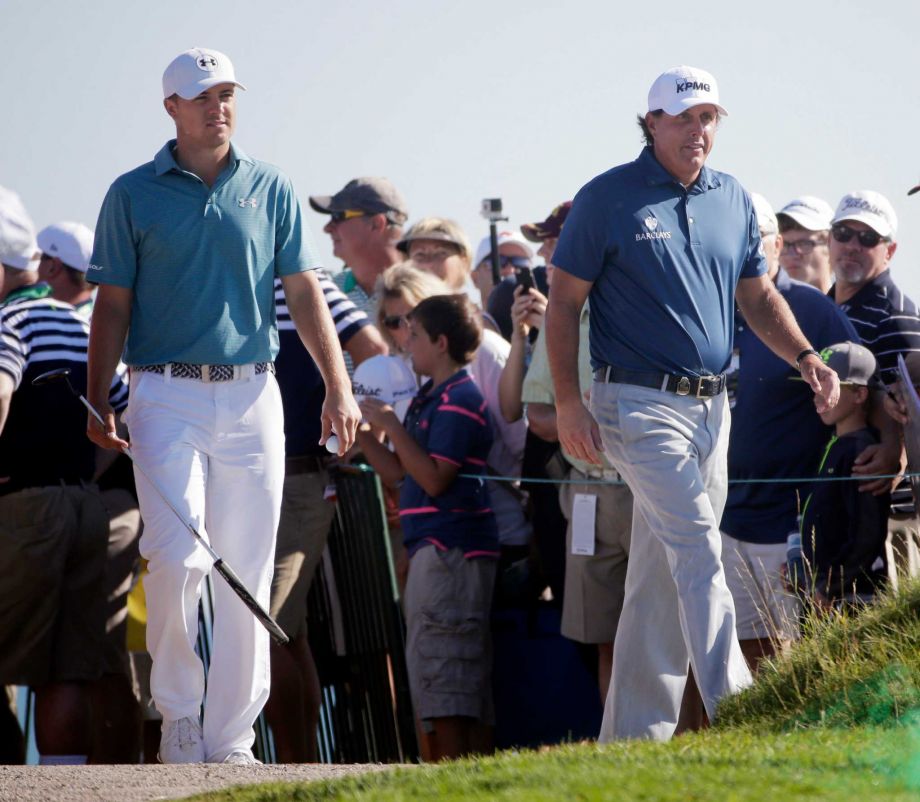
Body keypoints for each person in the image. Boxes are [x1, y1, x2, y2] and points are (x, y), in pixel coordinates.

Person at [545, 64, 839, 742]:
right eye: (683, 117)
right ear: (651, 124)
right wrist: (567, 403)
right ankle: (742, 714)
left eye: (708, 117)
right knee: (700, 549)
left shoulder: (733, 198)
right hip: (635, 404)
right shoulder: (606, 198)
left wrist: (806, 359)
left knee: (659, 575)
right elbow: (563, 303)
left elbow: (760, 298)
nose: (698, 130)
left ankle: (631, 742)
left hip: (713, 410)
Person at [85, 47, 359, 765]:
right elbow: (111, 306)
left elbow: (304, 294)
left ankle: (232, 736)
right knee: (176, 558)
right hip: (162, 392)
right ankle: (179, 715)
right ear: (171, 106)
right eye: (203, 96)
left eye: (228, 93)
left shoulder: (271, 187)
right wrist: (97, 397)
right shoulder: (131, 192)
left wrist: (340, 386)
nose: (220, 107)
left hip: (251, 394)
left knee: (248, 564)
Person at [1, 186, 130, 765]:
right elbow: (122, 413)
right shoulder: (77, 323)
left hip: (26, 508)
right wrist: (82, 473)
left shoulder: (11, 320)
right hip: (86, 507)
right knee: (67, 669)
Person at [720, 194, 858, 671]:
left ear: (777, 245)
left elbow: (862, 389)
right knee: (722, 657)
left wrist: (884, 451)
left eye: (755, 239)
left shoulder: (811, 309)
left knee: (780, 660)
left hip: (786, 522)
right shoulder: (709, 305)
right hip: (716, 517)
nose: (745, 250)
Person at [358, 294, 498, 761]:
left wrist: (392, 429)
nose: (405, 343)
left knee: (450, 676)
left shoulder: (459, 398)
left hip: (452, 552)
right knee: (436, 673)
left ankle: (457, 775)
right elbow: (402, 475)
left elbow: (436, 478)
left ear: (440, 342)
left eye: (413, 335)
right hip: (432, 551)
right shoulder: (430, 397)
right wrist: (363, 431)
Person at [265, 269, 386, 763]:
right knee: (286, 629)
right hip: (268, 480)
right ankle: (301, 768)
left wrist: (349, 424)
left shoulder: (301, 278)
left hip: (297, 478)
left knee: (264, 626)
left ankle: (295, 770)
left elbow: (377, 356)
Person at [36, 219, 144, 762]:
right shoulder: (97, 319)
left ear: (53, 266)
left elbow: (117, 426)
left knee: (94, 641)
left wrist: (80, 483)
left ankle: (120, 773)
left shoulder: (80, 324)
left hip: (104, 503)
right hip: (100, 500)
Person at [517, 202, 632, 704]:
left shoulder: (646, 305)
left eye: (558, 242)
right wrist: (578, 424)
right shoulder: (564, 314)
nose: (551, 253)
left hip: (652, 487)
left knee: (666, 630)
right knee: (604, 636)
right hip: (586, 492)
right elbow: (535, 413)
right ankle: (620, 750)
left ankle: (686, 745)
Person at [376, 264, 531, 569]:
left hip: (496, 533)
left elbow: (524, 446)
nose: (406, 331)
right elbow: (407, 467)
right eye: (395, 322)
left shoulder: (483, 350)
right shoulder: (402, 370)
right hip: (433, 538)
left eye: (414, 319)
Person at [827, 191, 920, 588]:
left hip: (886, 508)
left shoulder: (896, 314)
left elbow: (910, 402)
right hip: (842, 492)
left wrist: (895, 454)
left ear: (890, 250)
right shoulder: (824, 304)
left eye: (868, 239)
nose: (852, 245)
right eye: (844, 232)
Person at [798, 342, 889, 607]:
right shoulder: (835, 443)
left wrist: (830, 588)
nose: (816, 393)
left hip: (851, 599)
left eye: (828, 384)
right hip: (823, 593)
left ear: (860, 394)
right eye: (814, 384)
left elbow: (867, 533)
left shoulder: (863, 453)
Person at [310, 177, 408, 314]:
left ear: (376, 223)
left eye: (338, 216)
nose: (327, 228)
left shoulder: (424, 290)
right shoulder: (325, 295)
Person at [396, 217, 475, 297]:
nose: (429, 264)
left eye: (441, 253)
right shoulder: (390, 308)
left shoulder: (473, 309)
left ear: (464, 262)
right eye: (420, 254)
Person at [36, 222, 96, 317]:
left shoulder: (28, 322)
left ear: (53, 267)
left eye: (37, 257)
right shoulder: (107, 325)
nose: (34, 267)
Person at [776, 196, 834, 293]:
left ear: (831, 246)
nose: (791, 255)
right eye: (785, 245)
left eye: (803, 244)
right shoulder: (763, 306)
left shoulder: (856, 307)